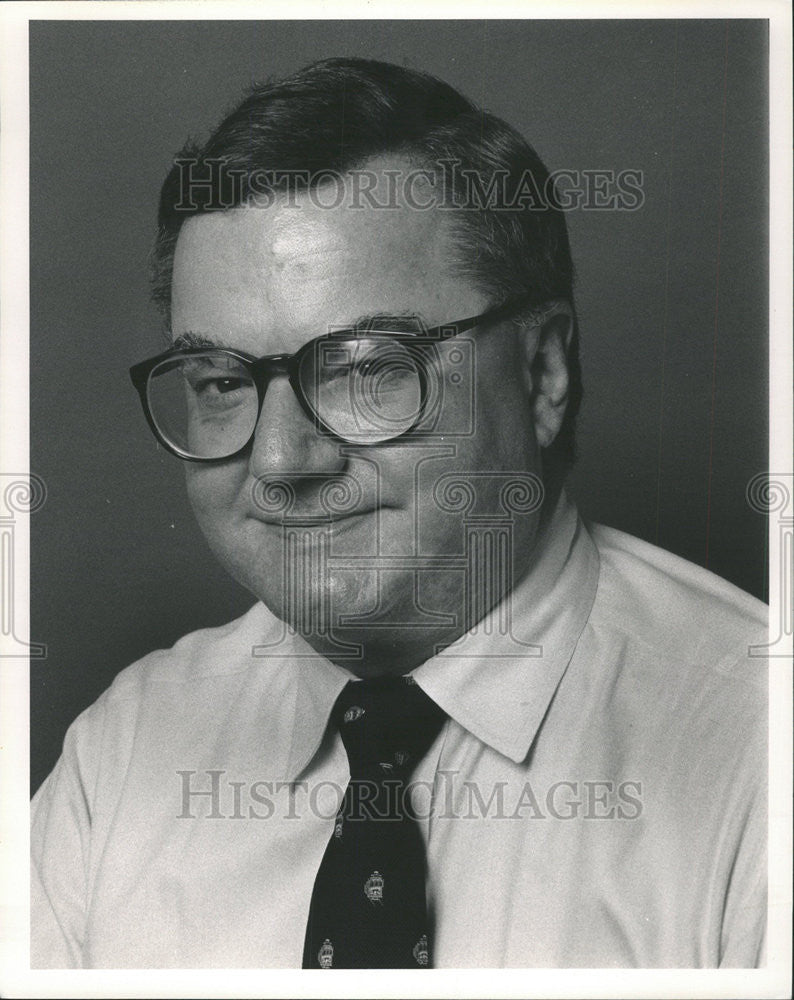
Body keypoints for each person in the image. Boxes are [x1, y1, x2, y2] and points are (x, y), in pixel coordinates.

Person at [30, 57, 767, 969]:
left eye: (368, 367)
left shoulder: (755, 760)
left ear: (543, 373)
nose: (280, 459)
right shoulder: (124, 755)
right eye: (222, 382)